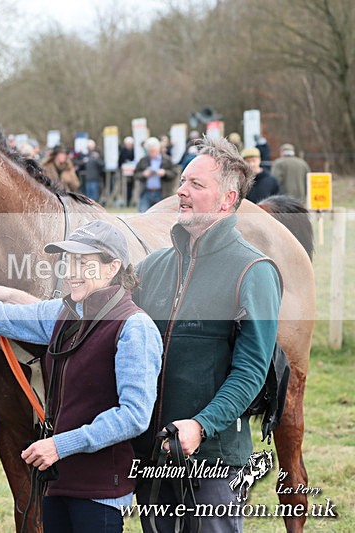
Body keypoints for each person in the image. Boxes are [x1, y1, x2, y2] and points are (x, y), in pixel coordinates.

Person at [0, 220, 163, 533]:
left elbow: (134, 416)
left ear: (113, 266)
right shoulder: (65, 313)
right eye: (69, 262)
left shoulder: (134, 328)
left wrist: (59, 445)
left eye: (84, 263)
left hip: (99, 489)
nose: (72, 272)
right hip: (56, 481)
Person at [131, 136, 281, 533]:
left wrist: (200, 425)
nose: (181, 191)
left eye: (196, 185)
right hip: (152, 455)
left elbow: (250, 371)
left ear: (227, 199)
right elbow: (104, 321)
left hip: (214, 459)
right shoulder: (152, 267)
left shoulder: (254, 271)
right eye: (183, 181)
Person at [134, 136, 176, 212]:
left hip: (162, 193)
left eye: (154, 151)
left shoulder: (167, 160)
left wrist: (165, 173)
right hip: (146, 193)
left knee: (161, 216)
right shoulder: (143, 160)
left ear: (158, 149)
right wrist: (143, 174)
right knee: (143, 216)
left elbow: (174, 174)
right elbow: (136, 174)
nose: (152, 153)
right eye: (150, 151)